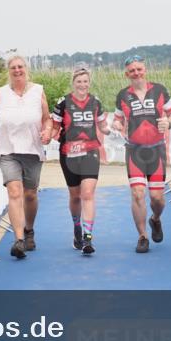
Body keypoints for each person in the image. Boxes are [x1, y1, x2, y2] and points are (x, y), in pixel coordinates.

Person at [113, 56, 171, 254]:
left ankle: (155, 219)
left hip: (157, 151)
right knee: (138, 193)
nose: (136, 73)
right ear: (127, 74)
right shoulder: (122, 95)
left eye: (139, 69)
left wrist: (169, 122)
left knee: (157, 198)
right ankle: (142, 237)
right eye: (132, 70)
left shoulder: (159, 90)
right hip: (134, 151)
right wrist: (117, 125)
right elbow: (117, 119)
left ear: (145, 70)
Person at [0, 56, 52, 259]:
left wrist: (47, 131)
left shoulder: (38, 91)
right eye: (13, 67)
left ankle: (29, 229)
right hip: (7, 150)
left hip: (32, 149)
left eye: (20, 67)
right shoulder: (1, 93)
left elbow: (47, 118)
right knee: (15, 191)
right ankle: (19, 240)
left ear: (26, 69)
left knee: (30, 194)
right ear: (9, 71)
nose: (17, 70)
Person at [50, 64, 111, 255]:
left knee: (88, 194)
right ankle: (77, 226)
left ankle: (88, 238)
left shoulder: (96, 102)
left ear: (89, 83)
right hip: (68, 154)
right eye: (79, 81)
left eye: (85, 81)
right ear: (73, 83)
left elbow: (101, 125)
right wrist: (48, 134)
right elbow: (54, 127)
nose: (82, 85)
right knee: (75, 196)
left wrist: (109, 129)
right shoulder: (63, 102)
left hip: (90, 152)